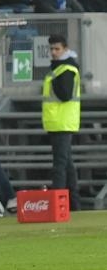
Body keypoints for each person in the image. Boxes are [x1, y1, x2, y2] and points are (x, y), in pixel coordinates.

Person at [43, 34, 81, 211]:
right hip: (60, 122)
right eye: (51, 49)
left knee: (59, 165)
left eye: (57, 49)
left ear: (65, 49)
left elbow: (64, 95)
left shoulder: (64, 69)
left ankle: (58, 204)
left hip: (62, 122)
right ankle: (74, 203)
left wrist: (55, 73)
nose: (53, 52)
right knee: (67, 165)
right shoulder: (62, 68)